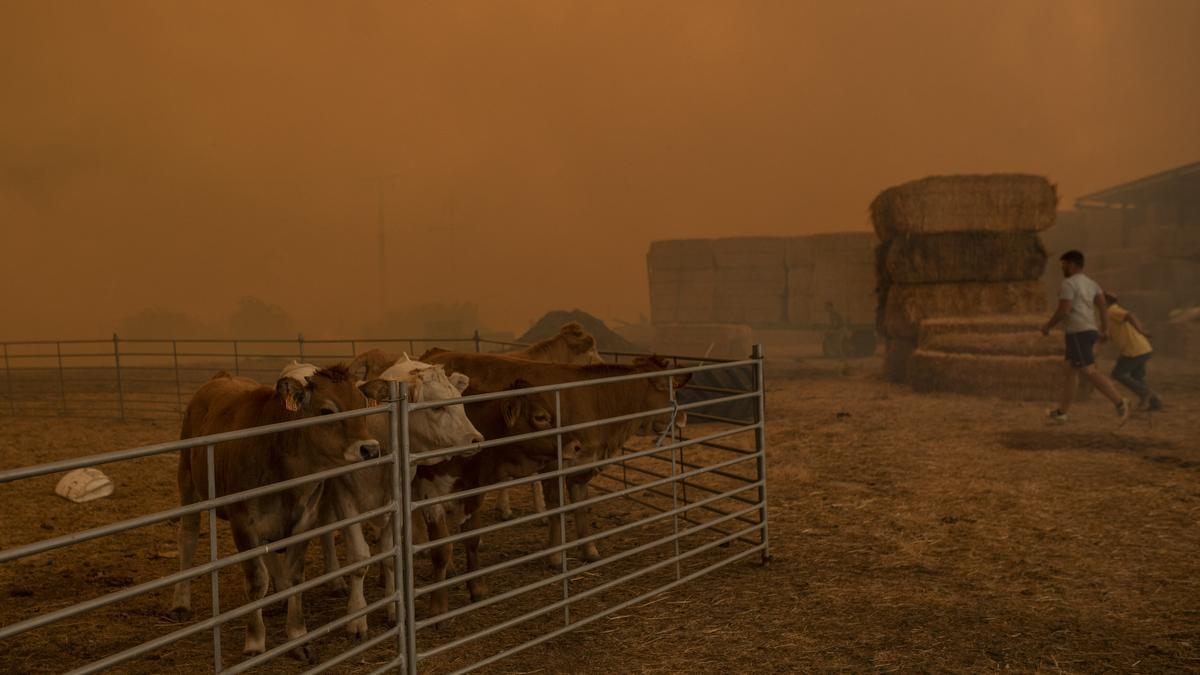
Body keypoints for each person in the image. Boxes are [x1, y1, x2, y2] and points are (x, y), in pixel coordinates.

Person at [1040, 250, 1129, 424]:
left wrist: (1048, 326)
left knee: (1088, 371)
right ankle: (1061, 413)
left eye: (1064, 264)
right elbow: (1103, 307)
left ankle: (1120, 402)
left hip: (1077, 333)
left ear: (1072, 265)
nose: (1062, 268)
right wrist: (1104, 330)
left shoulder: (1068, 284)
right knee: (1071, 371)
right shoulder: (1092, 284)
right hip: (1088, 331)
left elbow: (1064, 310)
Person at [1104, 292, 1164, 411]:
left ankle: (1146, 393)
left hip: (1133, 350)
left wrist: (1140, 330)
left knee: (1118, 374)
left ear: (1105, 301)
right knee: (1137, 377)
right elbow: (1108, 334)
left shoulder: (1111, 311)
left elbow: (1129, 315)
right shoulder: (1109, 314)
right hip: (1142, 348)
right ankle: (1155, 402)